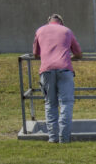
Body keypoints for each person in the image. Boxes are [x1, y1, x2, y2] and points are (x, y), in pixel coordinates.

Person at [32, 13, 82, 143]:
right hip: (65, 69)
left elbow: (35, 54)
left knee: (50, 103)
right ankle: (64, 138)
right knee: (66, 103)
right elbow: (78, 53)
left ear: (49, 21)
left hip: (46, 70)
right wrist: (70, 57)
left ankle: (53, 137)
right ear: (61, 22)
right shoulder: (67, 31)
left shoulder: (40, 30)